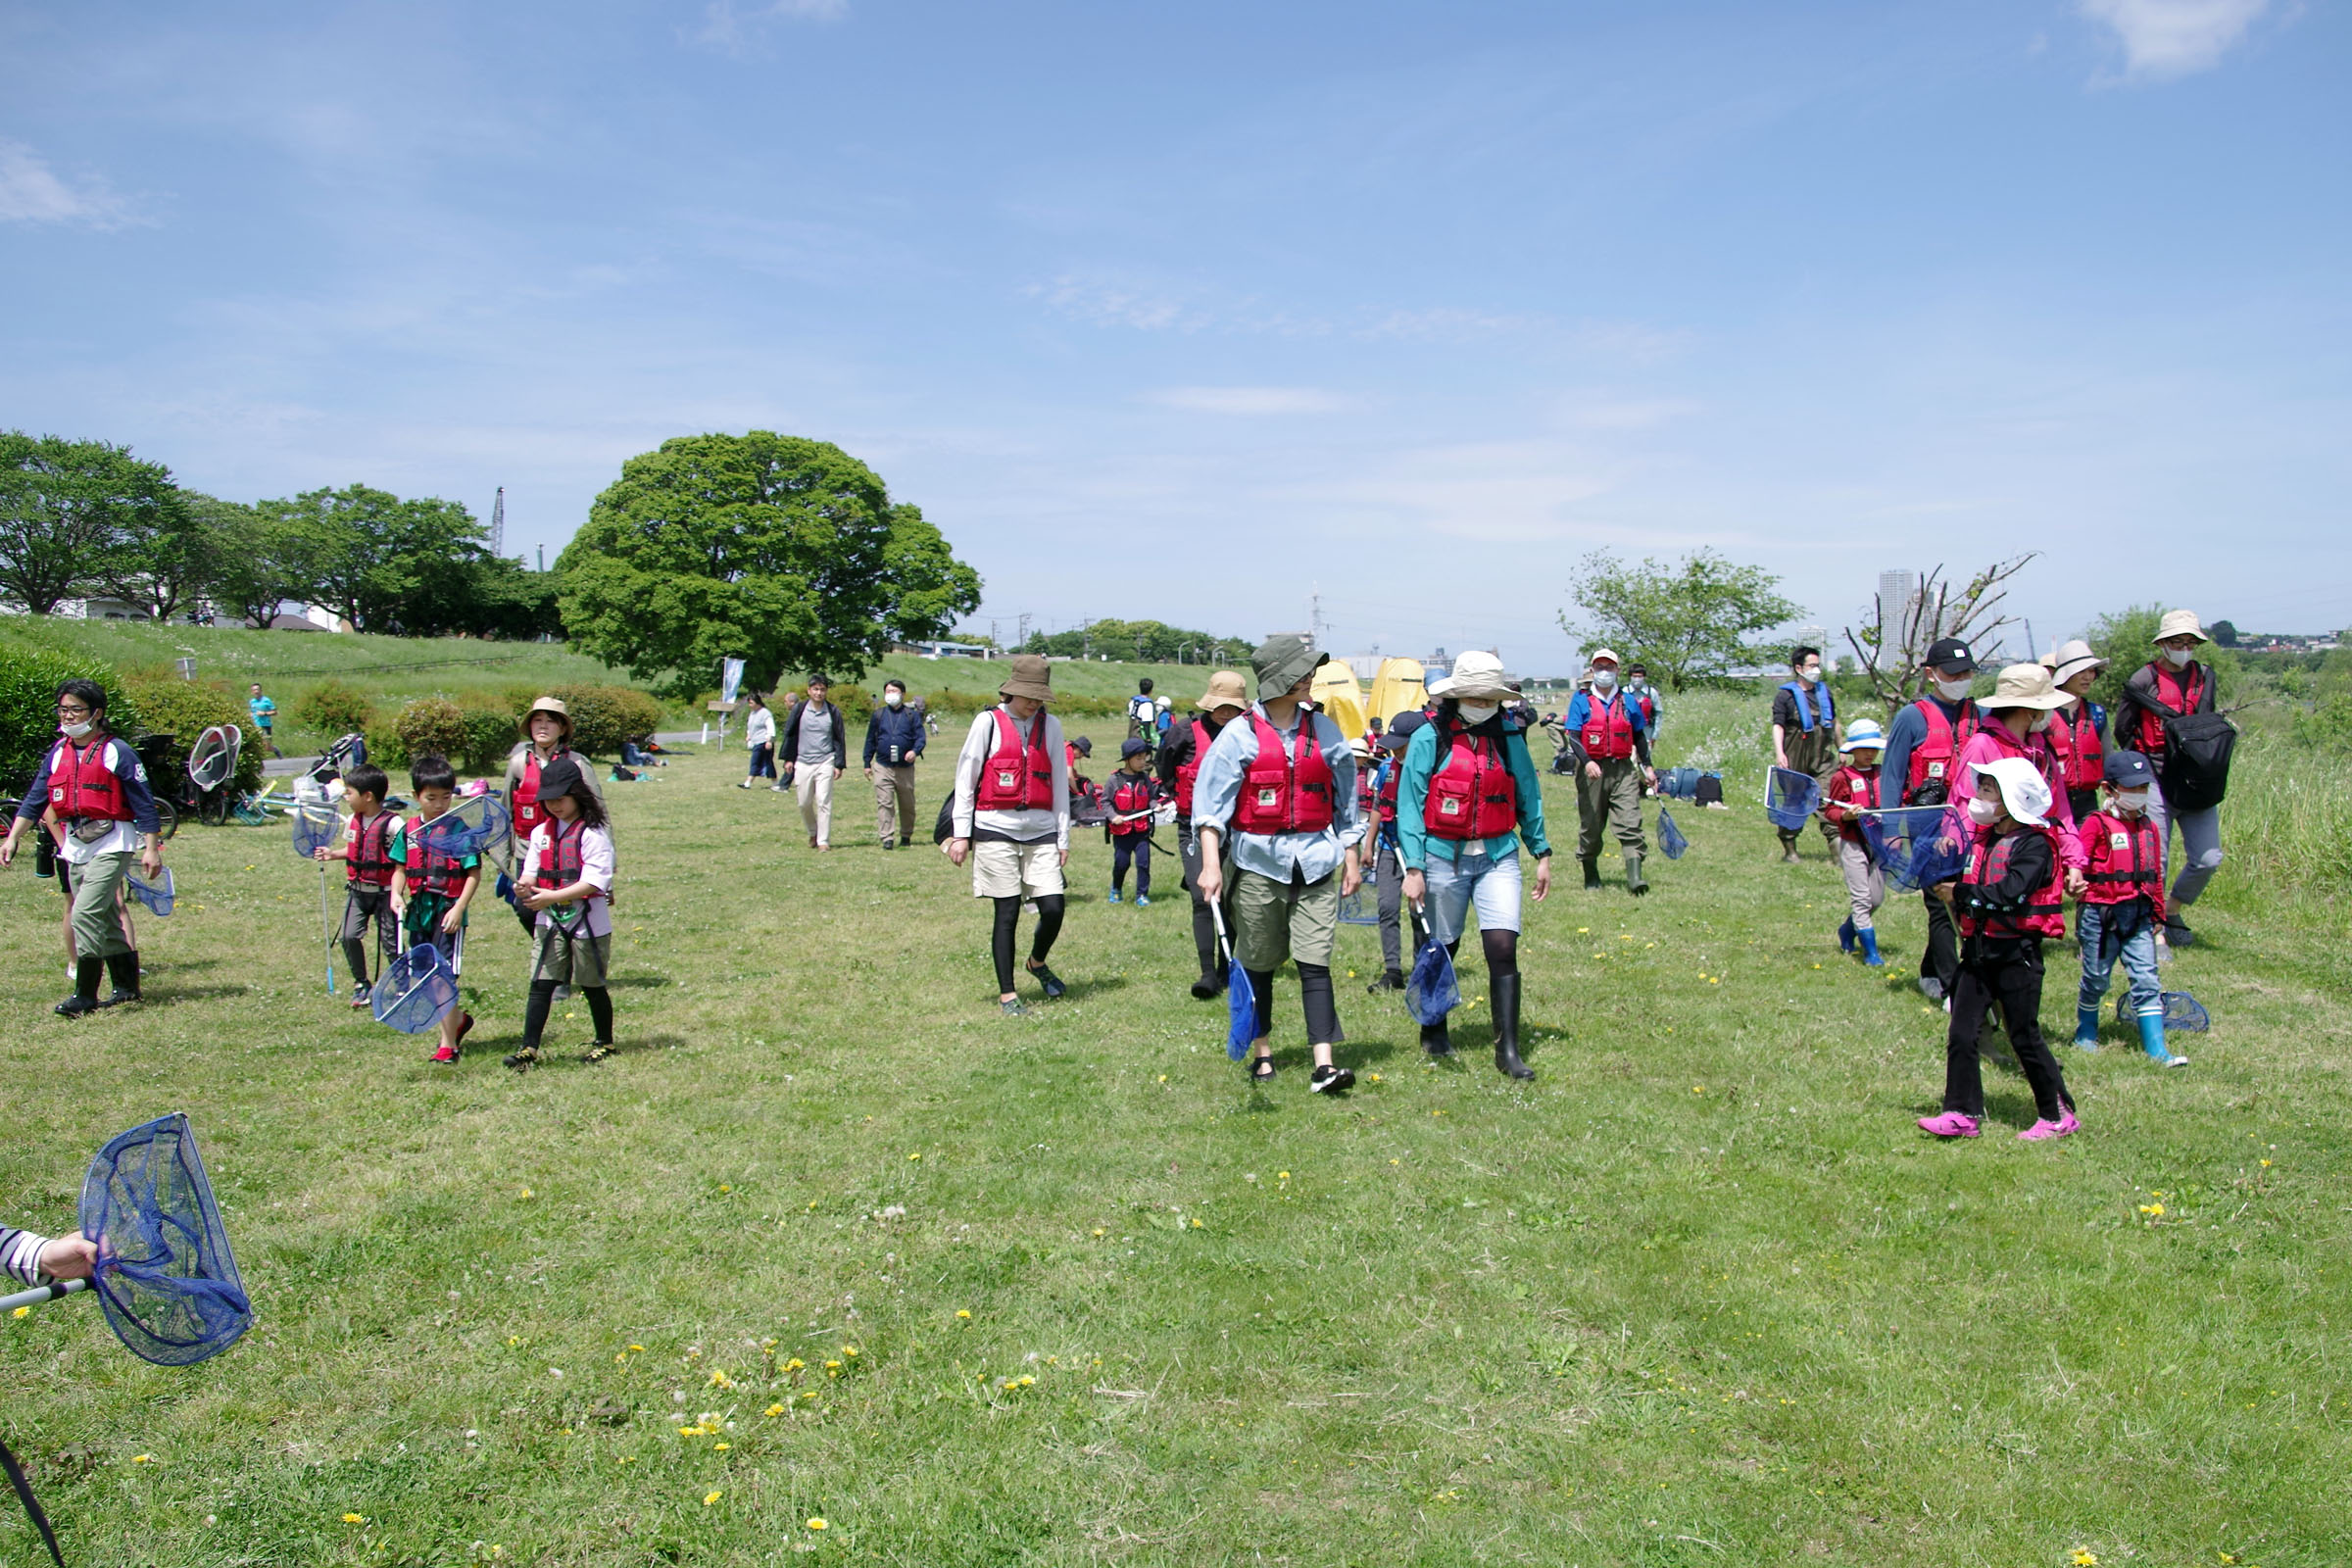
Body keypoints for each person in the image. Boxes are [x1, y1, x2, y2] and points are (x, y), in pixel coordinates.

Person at [1191, 634, 1366, 1094]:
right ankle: (1263, 1053)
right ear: (1281, 680)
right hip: (1257, 864)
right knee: (1259, 963)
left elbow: (1347, 800)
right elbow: (1211, 807)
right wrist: (1211, 866)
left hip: (1315, 862)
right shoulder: (1240, 735)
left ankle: (1324, 1065)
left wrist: (1351, 853)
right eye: (1303, 673)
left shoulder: (1324, 731)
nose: (1311, 680)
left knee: (1315, 961)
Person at [1395, 650, 1552, 1080]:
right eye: (1474, 698)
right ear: (1456, 695)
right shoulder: (1430, 737)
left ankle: (1509, 1052)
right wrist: (1413, 866)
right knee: (1442, 945)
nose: (1482, 706)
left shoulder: (1509, 737)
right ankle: (1434, 1026)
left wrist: (1541, 852)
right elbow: (1409, 805)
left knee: (1503, 947)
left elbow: (1529, 795)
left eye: (1489, 699)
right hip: (1441, 857)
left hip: (1498, 855)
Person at [1918, 758, 2079, 1142]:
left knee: (2023, 1035)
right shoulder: (1983, 840)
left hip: (2015, 956)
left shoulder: (2036, 846)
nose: (1979, 796)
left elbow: (2010, 893)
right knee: (1961, 1033)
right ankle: (1961, 1113)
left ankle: (2057, 1115)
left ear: (2011, 800)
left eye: (1988, 789)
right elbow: (1966, 876)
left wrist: (1962, 893)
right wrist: (1942, 861)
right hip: (1977, 954)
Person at [1, 679, 165, 1015]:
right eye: (64, 709)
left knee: (85, 911)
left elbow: (144, 804)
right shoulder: (58, 752)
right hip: (76, 842)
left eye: (77, 709)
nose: (69, 716)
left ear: (97, 713)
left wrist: (151, 848)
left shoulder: (117, 750)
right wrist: (14, 836)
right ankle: (126, 987)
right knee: (103, 917)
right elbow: (36, 798)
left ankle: (85, 995)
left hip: (113, 840)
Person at [947, 655, 1072, 1014]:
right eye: (1028, 695)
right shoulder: (986, 723)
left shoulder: (1052, 726)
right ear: (1011, 690)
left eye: (1039, 696)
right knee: (1007, 913)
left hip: (1041, 830)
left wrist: (1063, 836)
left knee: (1053, 906)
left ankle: (1036, 961)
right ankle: (1007, 994)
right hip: (994, 828)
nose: (1034, 702)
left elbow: (1060, 783)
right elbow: (966, 779)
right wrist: (960, 834)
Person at [2113, 610, 2226, 948]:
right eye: (2178, 642)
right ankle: (2155, 928)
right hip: (2157, 776)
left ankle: (2174, 907)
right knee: (2155, 858)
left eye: (2190, 642)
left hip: (2195, 779)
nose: (2185, 648)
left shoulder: (2205, 676)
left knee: (2208, 859)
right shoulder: (2143, 679)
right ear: (2163, 644)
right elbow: (2124, 729)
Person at [1879, 637, 1982, 1002]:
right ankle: (1954, 989)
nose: (1961, 678)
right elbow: (1891, 777)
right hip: (1928, 826)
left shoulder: (1980, 715)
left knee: (1965, 902)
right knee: (1940, 904)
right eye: (1953, 673)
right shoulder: (1912, 717)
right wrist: (1890, 833)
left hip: (1972, 825)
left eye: (1967, 671)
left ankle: (1929, 970)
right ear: (1931, 675)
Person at [502, 758, 618, 1070]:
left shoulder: (593, 834)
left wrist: (551, 896)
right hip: (549, 921)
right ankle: (529, 1048)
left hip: (588, 923)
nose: (553, 805)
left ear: (577, 795)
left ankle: (605, 1042)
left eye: (560, 799)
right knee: (541, 982)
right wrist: (524, 888)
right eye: (548, 800)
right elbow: (530, 872)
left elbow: (595, 881)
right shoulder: (541, 833)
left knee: (592, 984)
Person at [2071, 750, 2184, 1067]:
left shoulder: (2150, 827)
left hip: (2139, 915)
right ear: (2109, 788)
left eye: (2143, 788)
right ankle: (2086, 1033)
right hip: (2100, 914)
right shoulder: (2096, 823)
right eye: (2131, 788)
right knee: (2096, 978)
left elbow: (2155, 874)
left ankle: (2157, 1050)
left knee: (2147, 980)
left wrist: (2159, 913)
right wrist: (2074, 880)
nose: (2138, 794)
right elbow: (2078, 859)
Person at [1953, 663, 2088, 900]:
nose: (2052, 714)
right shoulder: (1983, 746)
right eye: (2047, 707)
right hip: (1994, 870)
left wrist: (2073, 861)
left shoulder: (2041, 749)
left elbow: (2061, 811)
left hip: (2035, 863)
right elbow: (1966, 812)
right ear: (2030, 711)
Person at [1160, 669, 1248, 999]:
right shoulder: (1183, 732)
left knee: (1229, 899)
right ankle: (1207, 973)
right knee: (1202, 897)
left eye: (1233, 707)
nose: (1226, 713)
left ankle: (1228, 966)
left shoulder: (1249, 732)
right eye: (1221, 706)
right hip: (1193, 828)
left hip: (1236, 828)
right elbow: (1166, 768)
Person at [391, 755, 480, 1064]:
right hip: (419, 912)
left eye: (446, 796)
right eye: (431, 798)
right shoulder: (409, 830)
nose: (440, 804)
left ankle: (448, 1045)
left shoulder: (459, 830)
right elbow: (400, 868)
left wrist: (459, 908)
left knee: (443, 977)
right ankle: (457, 1021)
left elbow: (473, 873)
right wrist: (395, 893)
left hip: (447, 913)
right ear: (416, 796)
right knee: (425, 978)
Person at [504, 696, 605, 935]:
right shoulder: (518, 763)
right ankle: (550, 947)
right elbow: (505, 811)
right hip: (527, 848)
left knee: (571, 904)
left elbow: (599, 810)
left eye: (550, 721)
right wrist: (503, 858)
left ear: (562, 729)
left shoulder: (578, 763)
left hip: (571, 849)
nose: (542, 726)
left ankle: (568, 950)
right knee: (526, 907)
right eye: (537, 720)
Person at [1563, 649, 1655, 893]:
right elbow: (1573, 736)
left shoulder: (1628, 702)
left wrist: (1647, 766)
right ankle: (1591, 874)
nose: (1605, 671)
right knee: (1591, 825)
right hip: (1592, 769)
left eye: (1609, 667)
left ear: (1617, 670)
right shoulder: (1581, 699)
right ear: (1592, 670)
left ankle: (1635, 878)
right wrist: (1587, 761)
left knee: (1630, 821)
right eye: (1600, 667)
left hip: (1622, 768)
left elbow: (1639, 735)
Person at [317, 761, 398, 1007]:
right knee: (349, 936)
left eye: (349, 792)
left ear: (368, 796)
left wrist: (397, 892)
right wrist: (332, 854)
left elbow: (401, 863)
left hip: (385, 893)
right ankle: (361, 983)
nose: (345, 797)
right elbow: (353, 850)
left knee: (392, 943)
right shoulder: (352, 819)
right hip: (358, 891)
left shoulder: (393, 825)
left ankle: (402, 985)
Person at [1363, 710, 1430, 996]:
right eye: (1393, 745)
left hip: (1419, 849)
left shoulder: (1432, 768)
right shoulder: (1387, 767)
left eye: (1402, 744)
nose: (1396, 750)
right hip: (1389, 847)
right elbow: (1379, 805)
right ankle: (1393, 970)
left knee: (1418, 908)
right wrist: (1369, 844)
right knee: (1387, 906)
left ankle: (1421, 968)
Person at [1821, 718, 1886, 967]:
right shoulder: (1842, 777)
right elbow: (1830, 810)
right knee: (1861, 898)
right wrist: (1846, 816)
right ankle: (1871, 953)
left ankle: (1847, 930)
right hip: (1853, 844)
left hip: (1879, 844)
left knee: (1876, 899)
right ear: (1852, 749)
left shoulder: (1883, 773)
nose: (1869, 753)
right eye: (1864, 748)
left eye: (1873, 748)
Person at [1769, 647, 1840, 862]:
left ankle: (1837, 852)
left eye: (1818, 665)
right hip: (1794, 754)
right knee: (1793, 801)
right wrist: (1780, 753)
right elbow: (1778, 726)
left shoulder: (1824, 693)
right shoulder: (1785, 696)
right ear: (1799, 668)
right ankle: (1790, 850)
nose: (1816, 670)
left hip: (1822, 755)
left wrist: (1842, 748)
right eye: (1812, 666)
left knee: (1828, 798)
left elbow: (1835, 722)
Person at [779, 675, 849, 850]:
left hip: (825, 760)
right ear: (809, 691)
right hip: (803, 761)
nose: (819, 693)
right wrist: (788, 758)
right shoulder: (799, 710)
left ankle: (823, 841)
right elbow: (790, 733)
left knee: (824, 801)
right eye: (815, 689)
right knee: (803, 802)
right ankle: (813, 832)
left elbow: (839, 738)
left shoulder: (833, 711)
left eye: (822, 689)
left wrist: (839, 764)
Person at [2045, 640, 2109, 822]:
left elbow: (2108, 755)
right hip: (2052, 801)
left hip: (2088, 801)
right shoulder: (2044, 714)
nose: (2087, 677)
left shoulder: (2097, 714)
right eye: (2081, 671)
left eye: (2091, 671)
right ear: (2066, 675)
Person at [863, 678, 927, 850]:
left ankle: (906, 834)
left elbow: (921, 738)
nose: (891, 695)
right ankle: (887, 838)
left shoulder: (911, 715)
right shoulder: (878, 715)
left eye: (894, 691)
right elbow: (870, 739)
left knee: (907, 805)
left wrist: (914, 751)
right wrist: (866, 763)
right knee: (885, 802)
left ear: (902, 694)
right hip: (883, 766)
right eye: (888, 692)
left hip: (905, 769)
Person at [1104, 739, 1161, 905]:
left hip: (1141, 830)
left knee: (1143, 863)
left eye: (1144, 758)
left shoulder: (1145, 779)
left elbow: (1151, 798)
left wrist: (1155, 806)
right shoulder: (1114, 780)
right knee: (1122, 863)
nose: (1143, 762)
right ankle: (1116, 888)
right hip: (1122, 831)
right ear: (1127, 759)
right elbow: (1105, 801)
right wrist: (1113, 816)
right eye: (1138, 758)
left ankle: (1141, 895)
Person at [740, 692, 776, 788]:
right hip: (756, 742)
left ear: (757, 702)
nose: (750, 705)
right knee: (758, 762)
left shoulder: (765, 713)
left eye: (751, 703)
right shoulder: (752, 713)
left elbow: (770, 727)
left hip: (763, 742)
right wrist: (749, 735)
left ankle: (748, 783)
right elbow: (751, 726)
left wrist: (769, 740)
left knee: (763, 762)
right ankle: (748, 783)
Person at [247, 682, 281, 759]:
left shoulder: (266, 700)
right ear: (252, 692)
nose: (256, 691)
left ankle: (275, 749)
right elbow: (251, 711)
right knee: (257, 745)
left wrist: (264, 713)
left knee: (266, 747)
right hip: (256, 725)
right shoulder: (252, 701)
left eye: (258, 689)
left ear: (261, 690)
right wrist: (250, 716)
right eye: (254, 690)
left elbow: (275, 712)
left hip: (266, 725)